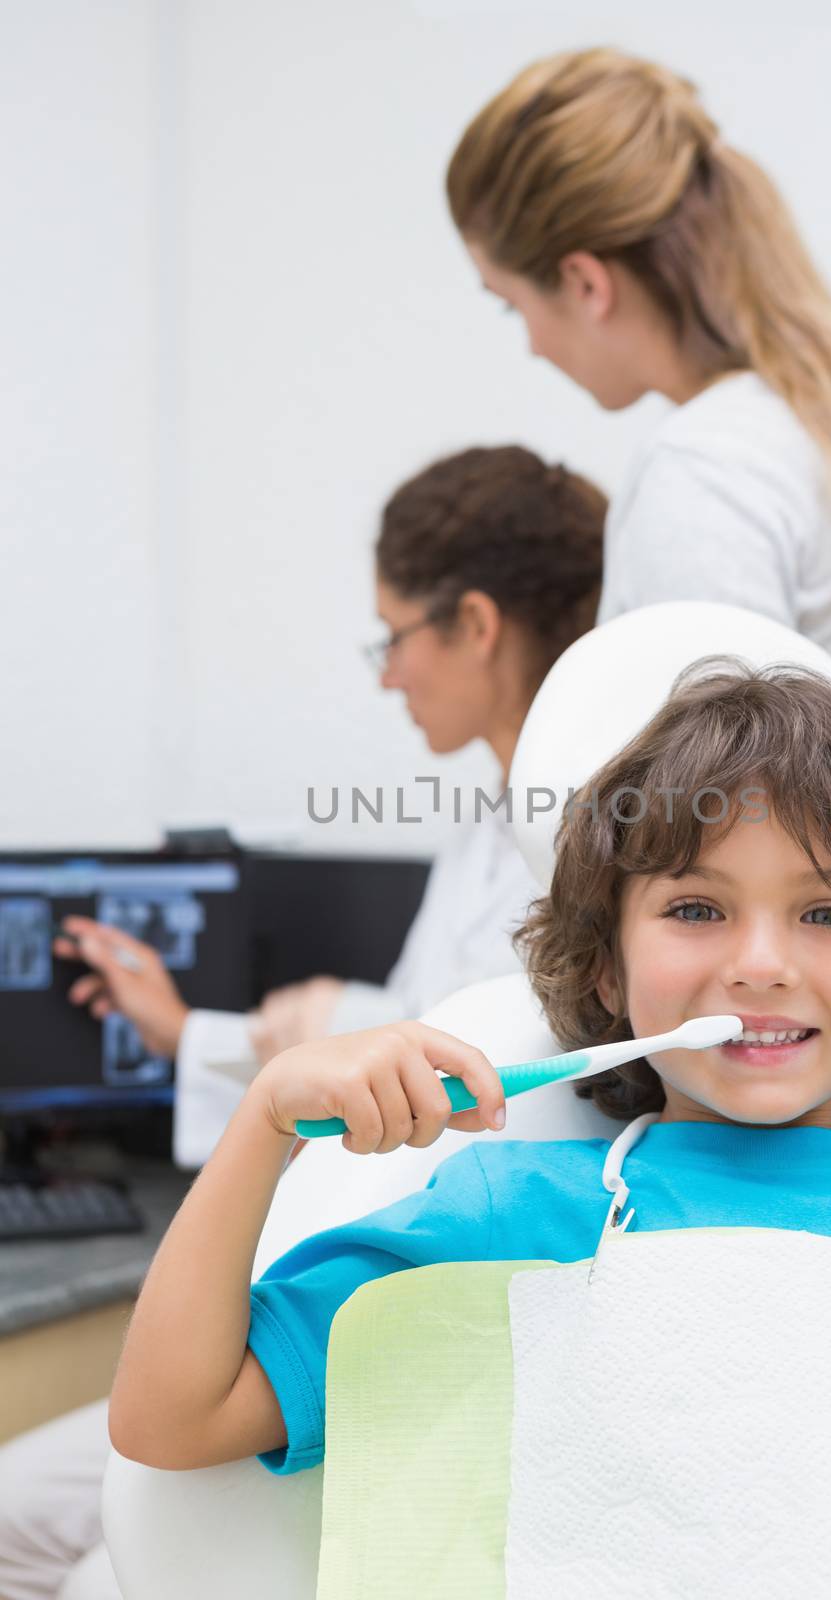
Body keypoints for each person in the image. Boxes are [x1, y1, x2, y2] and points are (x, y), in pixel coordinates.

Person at [106, 663, 831, 1591]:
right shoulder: (510, 1209)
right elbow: (172, 1421)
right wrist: (264, 1119)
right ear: (606, 968)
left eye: (828, 911)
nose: (763, 962)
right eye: (696, 908)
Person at [0, 443, 605, 1600]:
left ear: (473, 623)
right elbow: (390, 1061)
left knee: (77, 1558)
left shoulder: (580, 840)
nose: (387, 676)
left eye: (394, 639)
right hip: (324, 1287)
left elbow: (461, 1076)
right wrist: (192, 1034)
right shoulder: (490, 822)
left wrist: (311, 1032)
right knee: (32, 1513)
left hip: (416, 1295)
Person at [446, 48, 831, 757]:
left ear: (585, 284)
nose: (529, 345)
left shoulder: (703, 469)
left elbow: (722, 822)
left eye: (510, 306)